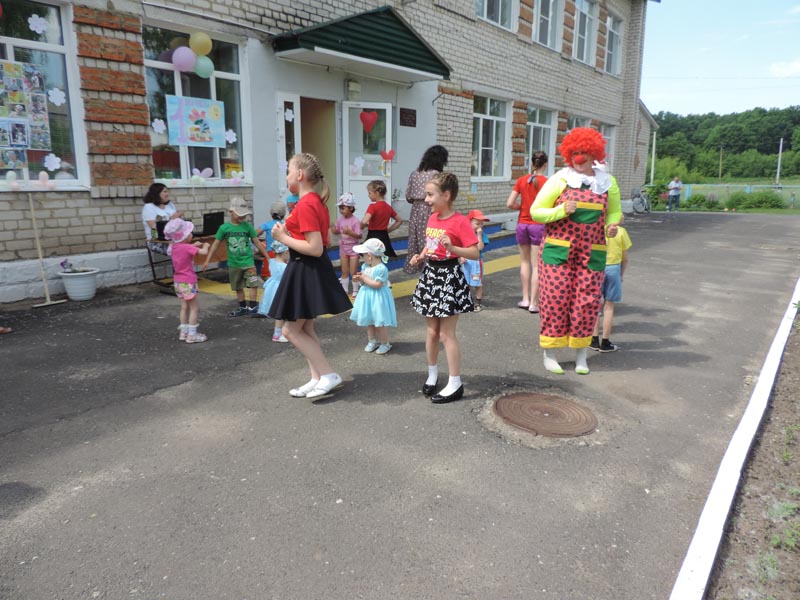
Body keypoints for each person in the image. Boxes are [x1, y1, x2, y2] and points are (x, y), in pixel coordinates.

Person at [530, 127, 621, 376]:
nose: (578, 158)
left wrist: (612, 225)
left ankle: (581, 355)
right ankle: (550, 354)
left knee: (587, 302)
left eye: (584, 152)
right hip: (557, 252)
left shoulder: (608, 182)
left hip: (592, 252)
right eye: (574, 153)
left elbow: (614, 211)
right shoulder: (560, 179)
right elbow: (536, 212)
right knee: (555, 300)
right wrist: (561, 211)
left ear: (594, 154)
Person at [269, 153, 352, 399]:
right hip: (307, 268)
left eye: (288, 171)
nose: (286, 176)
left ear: (299, 175)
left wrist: (282, 238)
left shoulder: (306, 204)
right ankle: (317, 377)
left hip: (305, 267)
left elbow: (315, 247)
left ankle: (327, 374)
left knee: (290, 331)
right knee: (304, 327)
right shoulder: (316, 202)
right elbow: (325, 241)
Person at [409, 173, 479, 403]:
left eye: (430, 194)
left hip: (449, 277)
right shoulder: (432, 218)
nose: (426, 199)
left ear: (446, 195)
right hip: (431, 275)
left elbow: (474, 252)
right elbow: (431, 245)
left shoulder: (460, 221)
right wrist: (421, 256)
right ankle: (432, 374)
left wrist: (454, 249)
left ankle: (455, 383)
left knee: (447, 334)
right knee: (432, 332)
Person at [202, 197, 267, 317]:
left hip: (248, 262)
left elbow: (257, 242)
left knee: (253, 284)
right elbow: (215, 245)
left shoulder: (247, 226)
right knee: (238, 286)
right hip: (234, 263)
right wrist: (207, 260)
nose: (242, 217)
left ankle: (253, 307)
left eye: (244, 215)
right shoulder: (224, 228)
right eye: (239, 214)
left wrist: (267, 256)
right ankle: (243, 308)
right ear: (231, 212)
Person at [506, 151, 548, 313]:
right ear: (545, 165)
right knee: (537, 265)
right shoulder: (547, 182)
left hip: (522, 224)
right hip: (538, 225)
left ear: (531, 164)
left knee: (524, 262)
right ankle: (534, 303)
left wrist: (522, 208)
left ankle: (525, 299)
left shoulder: (521, 180)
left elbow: (510, 203)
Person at [163, 218, 210, 344]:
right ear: (183, 236)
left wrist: (193, 245)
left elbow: (184, 249)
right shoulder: (187, 248)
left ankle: (183, 332)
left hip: (178, 282)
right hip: (188, 281)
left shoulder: (174, 246)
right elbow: (203, 252)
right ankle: (192, 335)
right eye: (189, 233)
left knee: (184, 307)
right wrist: (206, 245)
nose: (192, 234)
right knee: (195, 308)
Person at [403, 145, 448, 274]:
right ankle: (429, 267)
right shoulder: (437, 175)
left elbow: (408, 196)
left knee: (415, 238)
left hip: (415, 210)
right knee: (429, 238)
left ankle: (415, 264)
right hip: (430, 209)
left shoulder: (414, 173)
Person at [591, 215, 632, 353]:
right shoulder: (621, 232)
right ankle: (605, 342)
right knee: (609, 306)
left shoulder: (595, 229)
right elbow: (625, 258)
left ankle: (594, 339)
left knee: (595, 306)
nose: (623, 216)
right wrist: (621, 274)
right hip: (613, 268)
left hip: (597, 267)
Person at [350, 238, 397, 355]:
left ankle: (385, 343)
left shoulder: (382, 269)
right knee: (369, 320)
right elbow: (364, 281)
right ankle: (372, 341)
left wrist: (363, 278)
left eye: (363, 255)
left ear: (370, 256)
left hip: (377, 298)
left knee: (379, 322)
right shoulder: (365, 266)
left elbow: (377, 285)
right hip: (367, 297)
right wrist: (359, 279)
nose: (362, 257)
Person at [257, 241, 290, 342]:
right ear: (284, 253)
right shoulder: (285, 266)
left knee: (279, 314)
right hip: (282, 289)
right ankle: (283, 334)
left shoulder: (272, 262)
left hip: (272, 289)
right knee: (285, 314)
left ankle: (277, 334)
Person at [331, 192, 362, 298]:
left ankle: (355, 290)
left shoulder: (355, 221)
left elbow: (359, 236)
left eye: (343, 208)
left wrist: (350, 233)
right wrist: (334, 230)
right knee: (344, 271)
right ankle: (345, 289)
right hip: (343, 249)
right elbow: (337, 231)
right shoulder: (340, 219)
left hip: (353, 250)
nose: (341, 210)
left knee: (353, 271)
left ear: (351, 208)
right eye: (340, 208)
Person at [361, 179, 402, 258]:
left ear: (377, 193)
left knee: (371, 257)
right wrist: (388, 230)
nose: (368, 195)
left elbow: (364, 221)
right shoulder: (388, 207)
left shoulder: (372, 207)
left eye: (370, 193)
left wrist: (360, 227)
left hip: (373, 236)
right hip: (384, 236)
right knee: (383, 257)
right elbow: (399, 221)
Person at [460, 209, 491, 312]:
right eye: (477, 224)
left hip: (476, 263)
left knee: (477, 282)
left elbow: (479, 248)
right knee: (466, 282)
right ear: (469, 223)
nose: (479, 226)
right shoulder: (465, 234)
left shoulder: (482, 235)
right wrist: (461, 256)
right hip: (466, 263)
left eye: (481, 224)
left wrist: (479, 235)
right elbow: (461, 247)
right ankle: (467, 300)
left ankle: (478, 302)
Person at [142, 183, 183, 254]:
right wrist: (172, 219)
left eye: (167, 191)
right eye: (164, 192)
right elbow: (154, 228)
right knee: (186, 249)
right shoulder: (149, 207)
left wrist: (179, 218)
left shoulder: (170, 205)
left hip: (174, 238)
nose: (167, 194)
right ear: (156, 193)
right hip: (157, 241)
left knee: (196, 244)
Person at [256, 200, 287, 278]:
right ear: (284, 214)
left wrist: (259, 244)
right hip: (284, 253)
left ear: (271, 214)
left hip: (270, 253)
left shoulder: (267, 224)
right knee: (283, 275)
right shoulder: (286, 224)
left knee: (268, 275)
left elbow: (254, 234)